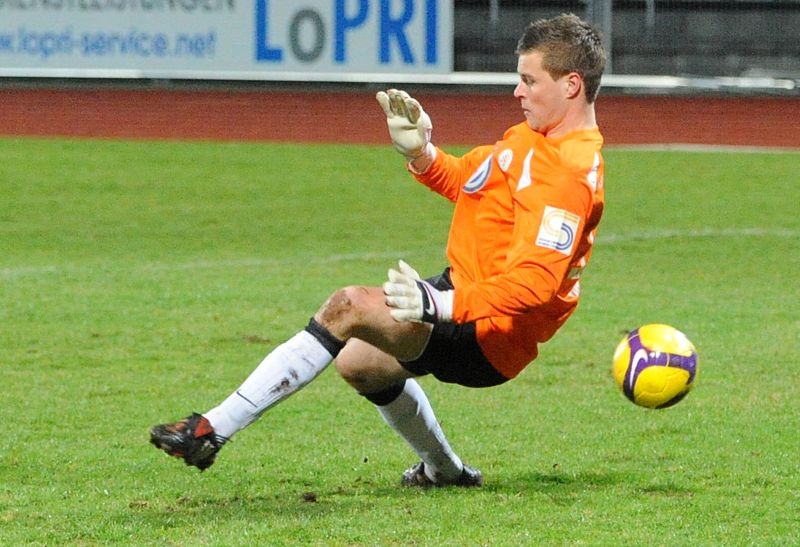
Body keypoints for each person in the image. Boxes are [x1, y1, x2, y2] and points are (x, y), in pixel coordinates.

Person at [149, 13, 607, 488]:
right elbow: (468, 184)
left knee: (347, 306)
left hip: (490, 331)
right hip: (462, 295)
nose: (517, 91)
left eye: (529, 81)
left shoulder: (568, 174)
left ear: (571, 85)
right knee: (358, 364)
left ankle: (209, 430)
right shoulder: (531, 138)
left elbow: (534, 285)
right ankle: (446, 471)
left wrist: (438, 305)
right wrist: (422, 154)